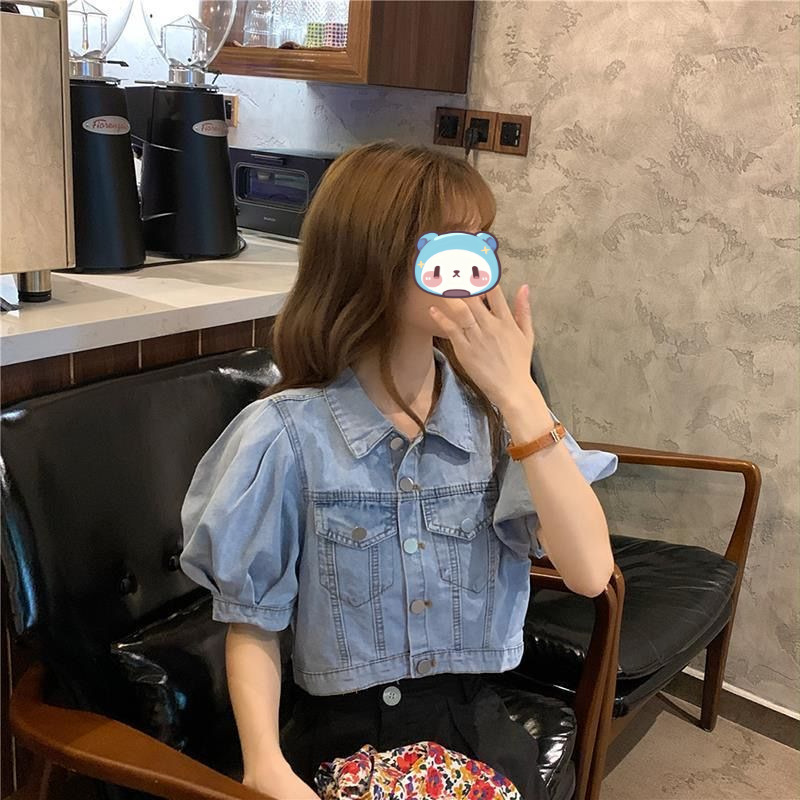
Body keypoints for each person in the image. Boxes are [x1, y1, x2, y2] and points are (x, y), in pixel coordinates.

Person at [179, 140, 619, 800]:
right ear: (375, 258)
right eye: (448, 246)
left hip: (475, 728)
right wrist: (265, 765)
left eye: (482, 243)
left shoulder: (500, 421)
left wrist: (522, 399)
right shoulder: (286, 434)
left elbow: (588, 572)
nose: (473, 269)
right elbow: (252, 619)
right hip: (344, 740)